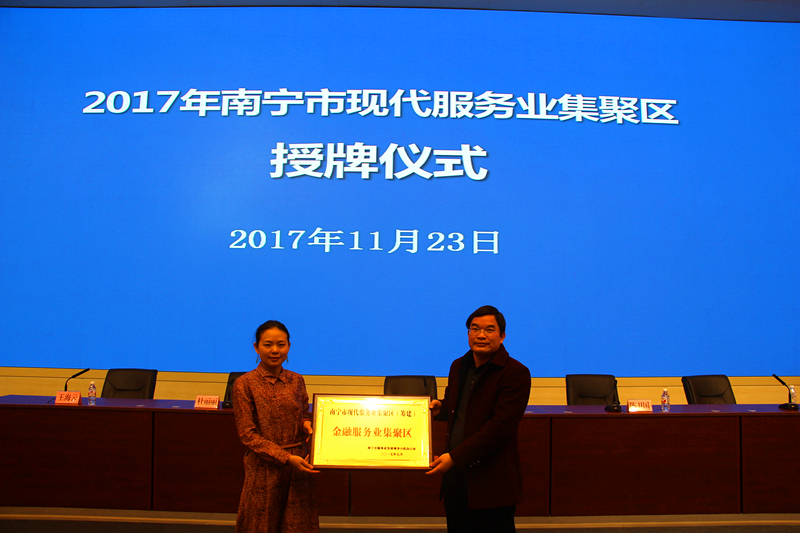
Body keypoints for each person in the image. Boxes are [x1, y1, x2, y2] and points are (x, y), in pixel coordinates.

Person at [427, 306, 531, 533]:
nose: (481, 335)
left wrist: (454, 457)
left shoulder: (515, 372)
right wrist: (440, 408)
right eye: (475, 329)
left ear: (502, 336)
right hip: (456, 478)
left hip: (492, 482)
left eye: (489, 330)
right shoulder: (459, 366)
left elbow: (500, 428)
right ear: (468, 333)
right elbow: (456, 404)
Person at [232, 320, 319, 533]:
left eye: (281, 344)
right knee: (261, 524)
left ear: (289, 346)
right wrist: (286, 458)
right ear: (256, 347)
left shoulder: (297, 380)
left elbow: (303, 414)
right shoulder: (244, 384)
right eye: (268, 344)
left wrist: (306, 425)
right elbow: (248, 435)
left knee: (297, 525)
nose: (275, 350)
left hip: (298, 465)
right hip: (263, 468)